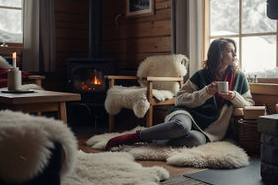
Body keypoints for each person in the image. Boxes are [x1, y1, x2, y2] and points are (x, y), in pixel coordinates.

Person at [105, 38, 255, 150]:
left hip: (210, 128)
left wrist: (234, 97)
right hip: (187, 114)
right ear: (218, 54)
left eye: (234, 50)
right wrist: (205, 92)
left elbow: (250, 104)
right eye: (229, 50)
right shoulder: (201, 75)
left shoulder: (239, 77)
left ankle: (155, 139)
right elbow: (180, 99)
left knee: (194, 141)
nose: (234, 54)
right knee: (181, 127)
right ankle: (135, 137)